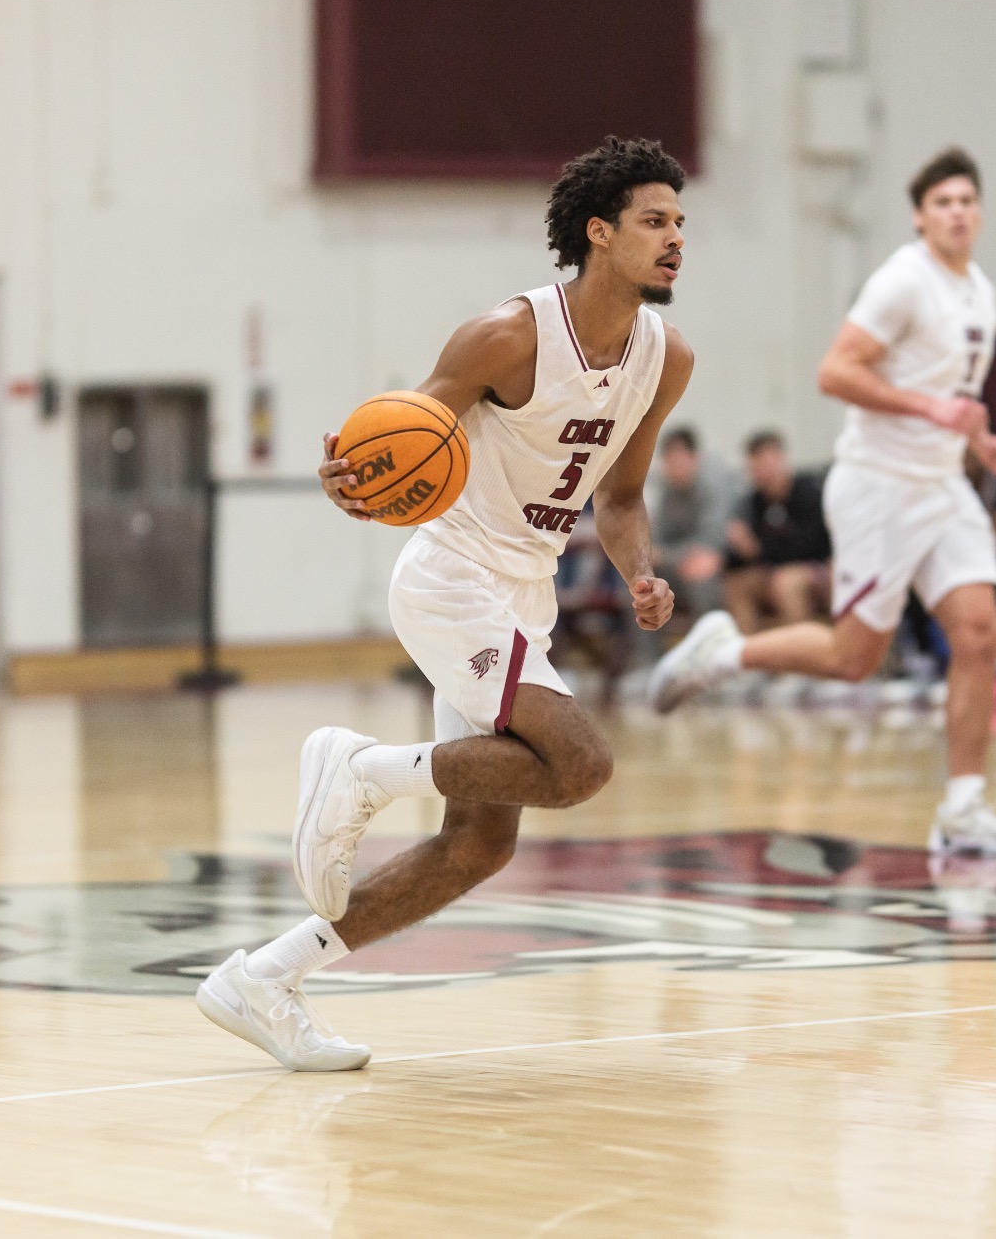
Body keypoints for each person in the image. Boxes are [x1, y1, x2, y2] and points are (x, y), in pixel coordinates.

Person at [195, 137, 695, 1072]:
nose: (674, 240)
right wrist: (354, 479)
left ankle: (263, 978)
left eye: (679, 224)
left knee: (476, 847)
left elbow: (620, 499)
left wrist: (639, 573)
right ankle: (364, 770)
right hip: (452, 575)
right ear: (598, 232)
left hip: (526, 589)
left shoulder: (666, 358)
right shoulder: (506, 336)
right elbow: (399, 439)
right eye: (654, 222)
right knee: (580, 763)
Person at [649, 147, 996, 857]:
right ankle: (727, 651)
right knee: (854, 656)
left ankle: (964, 807)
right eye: (942, 202)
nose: (957, 211)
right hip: (879, 484)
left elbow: (950, 399)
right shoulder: (902, 281)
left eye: (966, 200)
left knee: (980, 632)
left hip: (943, 483)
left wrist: (982, 441)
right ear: (921, 217)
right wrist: (928, 408)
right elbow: (836, 371)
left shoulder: (979, 289)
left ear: (979, 212)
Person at [722, 430, 833, 631]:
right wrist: (739, 547)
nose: (764, 471)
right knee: (737, 584)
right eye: (756, 465)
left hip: (815, 570)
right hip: (772, 572)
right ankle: (749, 654)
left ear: (782, 459)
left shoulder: (807, 492)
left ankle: (800, 657)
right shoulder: (753, 502)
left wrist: (759, 549)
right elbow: (737, 560)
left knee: (786, 582)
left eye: (768, 463)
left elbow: (813, 545)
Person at [647, 425, 729, 620]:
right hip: (674, 566)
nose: (675, 464)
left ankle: (708, 647)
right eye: (669, 459)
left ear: (695, 458)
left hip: (710, 566)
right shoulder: (663, 493)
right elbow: (654, 541)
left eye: (680, 457)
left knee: (701, 576)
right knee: (641, 585)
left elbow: (709, 543)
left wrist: (664, 555)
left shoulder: (710, 491)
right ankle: (649, 651)